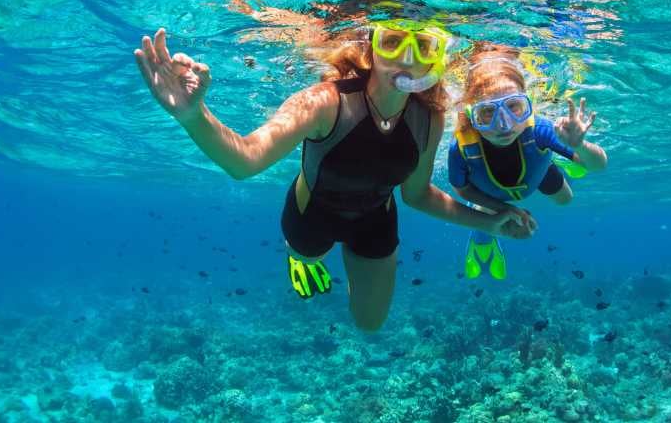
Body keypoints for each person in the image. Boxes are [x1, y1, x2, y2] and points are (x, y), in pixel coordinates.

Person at [133, 23, 532, 331]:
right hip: (312, 214)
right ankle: (300, 258)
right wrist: (192, 115)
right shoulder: (326, 101)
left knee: (370, 324)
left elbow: (417, 195)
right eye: (393, 42)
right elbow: (245, 161)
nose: (406, 59)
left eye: (423, 47)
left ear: (434, 59)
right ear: (372, 48)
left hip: (376, 218)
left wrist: (490, 222)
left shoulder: (430, 117)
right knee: (308, 254)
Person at [448, 46, 607, 280]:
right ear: (472, 115)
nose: (504, 125)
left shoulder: (541, 129)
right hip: (491, 193)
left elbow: (598, 165)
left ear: (528, 104)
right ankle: (482, 245)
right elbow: (461, 189)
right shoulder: (461, 147)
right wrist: (507, 210)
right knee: (486, 217)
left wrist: (579, 146)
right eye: (487, 113)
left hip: (537, 172)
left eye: (514, 107)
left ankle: (562, 156)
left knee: (566, 199)